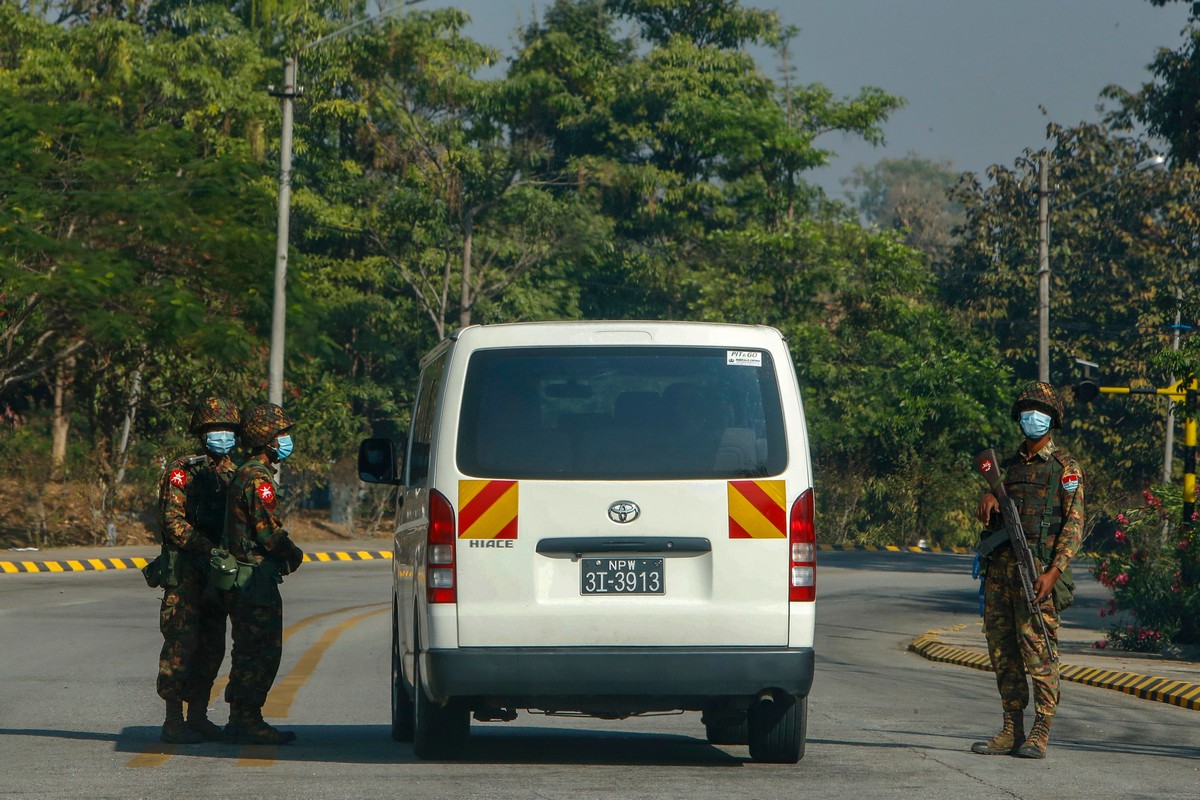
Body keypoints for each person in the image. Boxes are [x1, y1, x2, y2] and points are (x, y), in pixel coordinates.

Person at [972, 381, 1085, 759]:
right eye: (1026, 410)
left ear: (1052, 420)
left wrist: (1054, 572)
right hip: (1000, 576)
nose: (1031, 417)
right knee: (1003, 654)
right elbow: (994, 515)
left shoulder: (1065, 469)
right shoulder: (1008, 467)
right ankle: (1011, 728)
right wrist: (989, 498)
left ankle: (1040, 730)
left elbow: (1073, 526)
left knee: (1040, 653)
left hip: (1037, 577)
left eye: (1039, 410)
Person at [155, 397, 240, 744]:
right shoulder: (183, 470)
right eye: (214, 430)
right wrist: (207, 548)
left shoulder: (235, 473)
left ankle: (199, 715)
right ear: (202, 434)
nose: (222, 436)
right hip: (187, 574)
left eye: (228, 430)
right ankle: (173, 720)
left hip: (216, 577)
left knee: (212, 646)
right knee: (180, 645)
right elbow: (172, 522)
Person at [221, 402, 305, 745]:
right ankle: (246, 719)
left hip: (246, 575)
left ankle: (241, 717)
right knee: (261, 650)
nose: (286, 440)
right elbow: (267, 532)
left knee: (249, 647)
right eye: (281, 434)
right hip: (252, 578)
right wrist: (292, 553)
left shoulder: (247, 473)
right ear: (268, 439)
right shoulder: (258, 480)